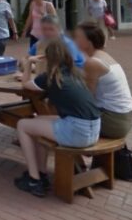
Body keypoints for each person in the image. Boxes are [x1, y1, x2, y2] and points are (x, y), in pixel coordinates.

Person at [13, 38, 102, 198]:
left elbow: (26, 84)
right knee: (38, 121)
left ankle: (34, 180)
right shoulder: (76, 74)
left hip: (77, 131)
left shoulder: (50, 77)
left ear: (48, 58)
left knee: (22, 125)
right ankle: (41, 173)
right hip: (93, 129)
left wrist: (28, 63)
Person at [75, 24, 132, 139]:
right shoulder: (103, 57)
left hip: (113, 121)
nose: (74, 41)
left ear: (88, 42)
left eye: (78, 37)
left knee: (63, 120)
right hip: (123, 117)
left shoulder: (93, 62)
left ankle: (70, 154)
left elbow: (87, 97)